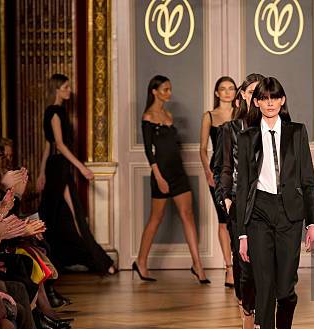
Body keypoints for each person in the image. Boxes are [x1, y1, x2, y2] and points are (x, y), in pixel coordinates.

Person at [236, 77, 314, 329]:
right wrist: (242, 233)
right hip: (258, 215)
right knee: (266, 289)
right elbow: (243, 186)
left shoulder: (297, 133)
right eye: (264, 98)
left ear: (282, 101)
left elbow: (308, 181)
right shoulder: (247, 138)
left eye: (275, 97)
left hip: (289, 216)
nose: (269, 103)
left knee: (286, 287)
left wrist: (312, 223)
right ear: (256, 103)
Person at [36, 74, 115, 276]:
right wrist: (81, 167)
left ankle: (57, 265)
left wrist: (42, 173)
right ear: (57, 90)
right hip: (59, 169)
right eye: (66, 87)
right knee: (73, 217)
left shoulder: (51, 112)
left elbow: (49, 146)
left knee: (55, 218)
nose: (69, 90)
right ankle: (103, 263)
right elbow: (58, 146)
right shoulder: (56, 113)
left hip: (56, 168)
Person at [133, 75, 209, 283]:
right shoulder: (147, 117)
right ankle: (140, 262)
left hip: (178, 172)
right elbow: (150, 152)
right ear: (154, 91)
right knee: (156, 218)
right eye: (165, 89)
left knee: (188, 214)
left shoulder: (168, 115)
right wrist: (158, 177)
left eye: (170, 89)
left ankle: (197, 265)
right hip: (161, 174)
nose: (169, 93)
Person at [214, 73, 265, 329]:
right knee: (244, 268)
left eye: (262, 92)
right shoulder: (230, 129)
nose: (258, 97)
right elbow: (223, 168)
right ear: (242, 95)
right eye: (253, 92)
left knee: (265, 269)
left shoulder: (272, 126)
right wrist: (228, 201)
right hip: (237, 205)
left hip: (266, 204)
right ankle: (247, 309)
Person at [199, 76, 236, 287]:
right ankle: (229, 269)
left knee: (238, 220)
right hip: (218, 172)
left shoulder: (242, 114)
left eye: (231, 88)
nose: (227, 92)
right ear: (217, 93)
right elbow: (202, 149)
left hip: (239, 172)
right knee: (223, 220)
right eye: (223, 89)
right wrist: (208, 173)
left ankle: (242, 267)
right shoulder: (209, 116)